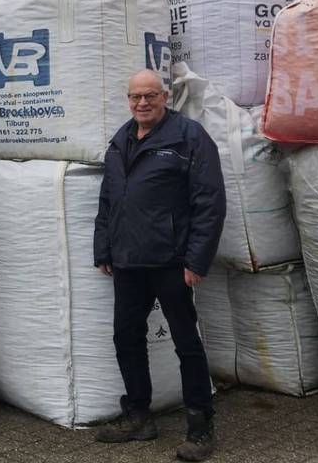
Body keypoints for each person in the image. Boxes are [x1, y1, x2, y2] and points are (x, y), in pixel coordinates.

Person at [92, 69, 225, 461]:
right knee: (126, 337)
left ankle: (200, 426)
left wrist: (197, 259)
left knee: (186, 342)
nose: (142, 103)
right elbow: (108, 200)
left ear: (165, 97)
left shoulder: (188, 137)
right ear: (128, 99)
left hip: (172, 261)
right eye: (135, 96)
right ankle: (138, 416)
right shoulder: (121, 140)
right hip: (128, 261)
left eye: (150, 95)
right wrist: (104, 249)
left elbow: (210, 202)